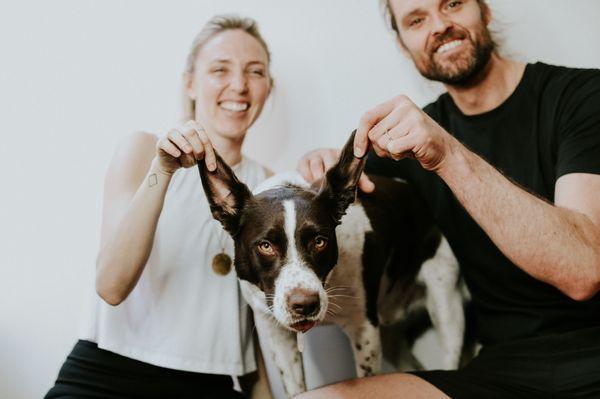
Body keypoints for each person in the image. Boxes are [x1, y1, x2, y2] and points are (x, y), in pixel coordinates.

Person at [297, 0, 600, 398]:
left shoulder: (581, 96)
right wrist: (320, 169)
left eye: (453, 3)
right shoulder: (409, 141)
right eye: (417, 20)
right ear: (405, 45)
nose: (440, 25)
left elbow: (583, 270)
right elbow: (339, 206)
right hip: (500, 371)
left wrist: (447, 154)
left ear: (485, 11)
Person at [45, 14, 274, 399]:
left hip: (211, 385)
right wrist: (164, 169)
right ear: (189, 82)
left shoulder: (268, 186)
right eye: (220, 69)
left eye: (255, 72)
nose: (239, 85)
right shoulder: (142, 152)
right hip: (106, 375)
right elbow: (111, 285)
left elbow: (257, 320)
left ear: (270, 86)